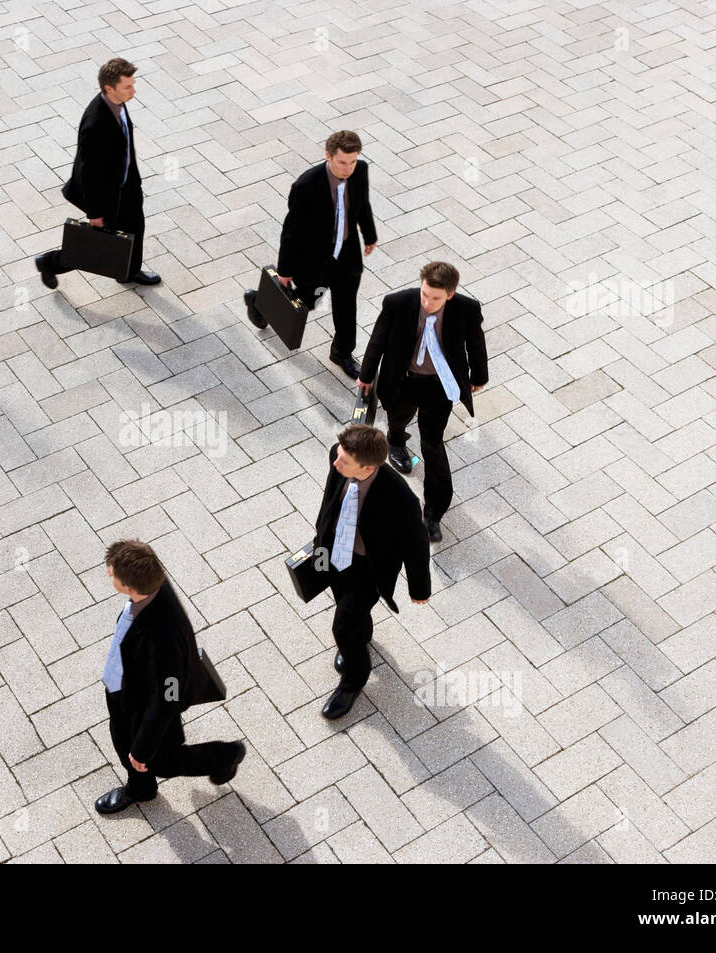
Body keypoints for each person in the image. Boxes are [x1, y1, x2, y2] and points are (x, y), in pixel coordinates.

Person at [95, 540, 246, 816]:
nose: (108, 574)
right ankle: (142, 788)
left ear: (129, 588)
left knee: (159, 761)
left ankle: (226, 755)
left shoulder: (163, 640)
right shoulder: (151, 584)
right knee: (122, 738)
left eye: (112, 573)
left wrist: (141, 749)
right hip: (127, 692)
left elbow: (166, 699)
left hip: (145, 705)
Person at [358, 261, 489, 543]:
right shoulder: (397, 303)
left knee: (433, 444)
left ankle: (433, 513)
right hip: (401, 381)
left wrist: (479, 377)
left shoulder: (467, 309)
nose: (428, 302)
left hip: (439, 386)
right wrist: (366, 376)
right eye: (425, 294)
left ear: (450, 295)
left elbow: (476, 345)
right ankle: (395, 441)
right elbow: (378, 339)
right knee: (398, 418)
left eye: (436, 298)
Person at [313, 424, 432, 720]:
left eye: (344, 461)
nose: (336, 462)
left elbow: (416, 544)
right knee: (348, 612)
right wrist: (320, 542)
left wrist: (419, 589)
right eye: (339, 455)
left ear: (366, 467)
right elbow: (330, 499)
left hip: (369, 569)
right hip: (336, 551)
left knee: (342, 626)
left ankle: (354, 680)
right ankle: (359, 636)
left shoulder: (400, 499)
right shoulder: (337, 457)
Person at [246, 130, 377, 379]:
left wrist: (369, 236)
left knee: (346, 304)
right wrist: (285, 270)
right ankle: (259, 303)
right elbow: (291, 231)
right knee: (307, 301)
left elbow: (363, 204)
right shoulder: (306, 185)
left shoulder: (360, 170)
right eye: (342, 162)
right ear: (328, 156)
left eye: (352, 161)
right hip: (314, 258)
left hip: (347, 254)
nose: (348, 168)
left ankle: (342, 352)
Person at [35, 58, 160, 289]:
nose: (134, 90)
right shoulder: (95, 123)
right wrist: (95, 213)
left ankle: (127, 271)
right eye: (128, 86)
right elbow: (88, 171)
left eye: (133, 84)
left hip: (127, 186)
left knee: (135, 228)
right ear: (108, 88)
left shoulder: (117, 103)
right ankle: (50, 263)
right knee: (97, 245)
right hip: (106, 196)